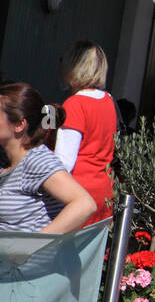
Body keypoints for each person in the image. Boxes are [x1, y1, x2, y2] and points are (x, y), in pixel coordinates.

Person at [0, 83, 96, 232]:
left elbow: (84, 204)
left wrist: (36, 244)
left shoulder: (36, 160)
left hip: (31, 255)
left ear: (19, 125)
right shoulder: (6, 161)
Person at [53, 41, 118, 226]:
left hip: (77, 197)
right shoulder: (108, 100)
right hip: (103, 193)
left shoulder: (75, 105)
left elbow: (63, 163)